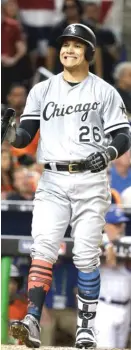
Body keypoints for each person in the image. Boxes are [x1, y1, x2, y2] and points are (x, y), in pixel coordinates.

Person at [5, 23, 130, 348]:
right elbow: (23, 138)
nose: (68, 50)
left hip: (90, 179)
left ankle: (85, 328)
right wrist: (7, 133)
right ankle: (32, 319)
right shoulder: (42, 91)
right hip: (53, 179)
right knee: (42, 248)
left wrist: (109, 153)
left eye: (76, 45)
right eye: (65, 45)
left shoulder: (104, 90)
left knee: (87, 255)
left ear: (89, 52)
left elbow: (124, 134)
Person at [95, 205, 131, 349]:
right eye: (116, 225)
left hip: (126, 306)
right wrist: (108, 243)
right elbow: (110, 262)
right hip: (105, 308)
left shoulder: (127, 242)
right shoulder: (97, 241)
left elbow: (116, 260)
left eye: (121, 224)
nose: (121, 227)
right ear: (106, 225)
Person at [40, 256, 77, 346]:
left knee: (81, 327)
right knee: (46, 326)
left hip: (68, 311)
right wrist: (43, 312)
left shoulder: (71, 266)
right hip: (47, 310)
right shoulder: (42, 267)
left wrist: (80, 312)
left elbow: (77, 291)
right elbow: (36, 294)